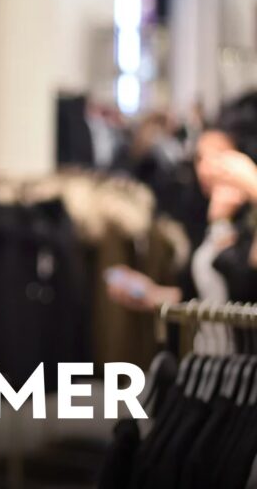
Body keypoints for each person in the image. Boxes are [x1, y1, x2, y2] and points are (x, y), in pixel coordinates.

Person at [107, 92, 257, 352]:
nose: (206, 169)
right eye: (200, 158)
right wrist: (152, 295)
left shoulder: (249, 219)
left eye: (219, 157)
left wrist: (253, 186)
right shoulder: (206, 214)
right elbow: (209, 300)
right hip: (210, 362)